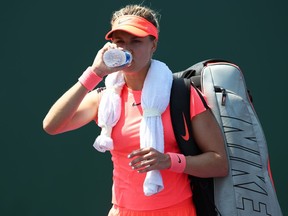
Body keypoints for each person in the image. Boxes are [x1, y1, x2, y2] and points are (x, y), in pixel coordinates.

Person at [43, 4, 228, 216]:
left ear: (153, 45)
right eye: (120, 42)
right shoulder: (105, 97)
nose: (127, 49)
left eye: (136, 41)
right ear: (110, 47)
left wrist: (169, 161)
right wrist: (94, 73)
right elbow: (51, 126)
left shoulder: (182, 94)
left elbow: (219, 163)